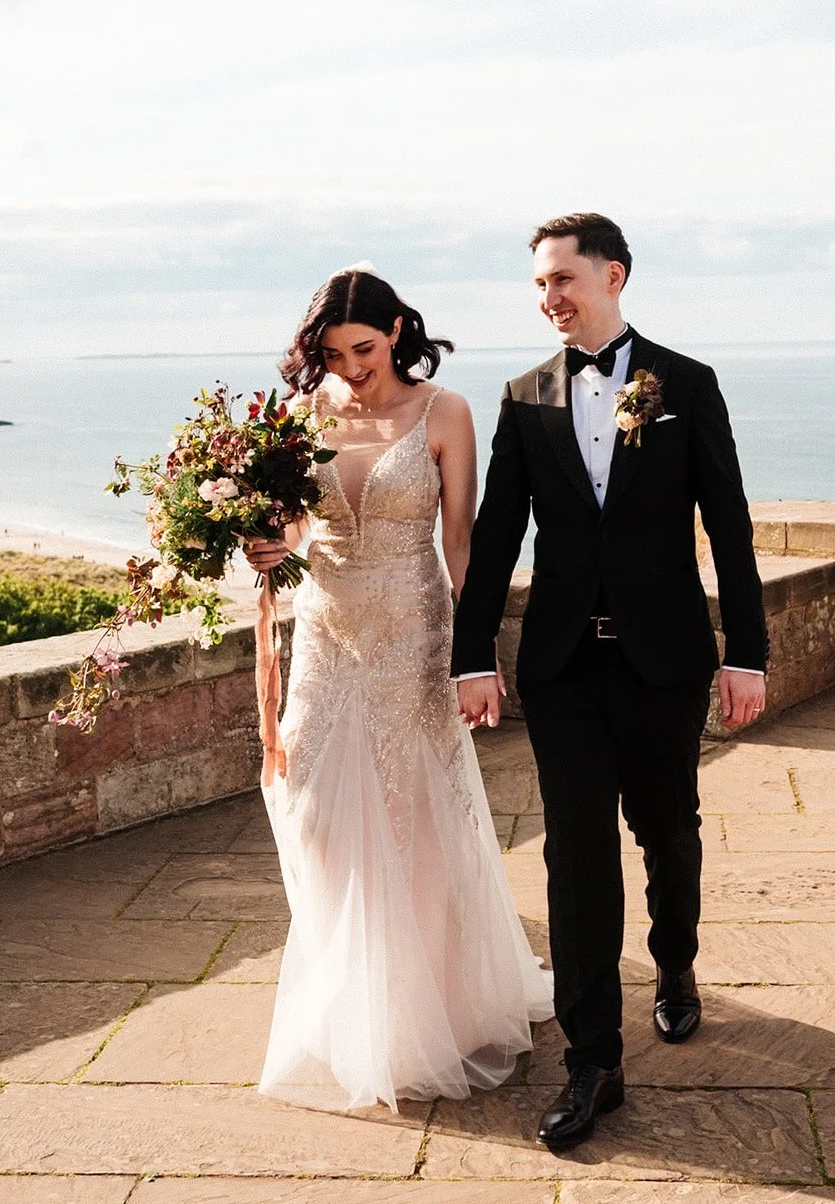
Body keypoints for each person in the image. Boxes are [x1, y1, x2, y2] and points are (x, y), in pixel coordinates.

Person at [452, 213, 768, 1151]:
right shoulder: (522, 398)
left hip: (664, 662)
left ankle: (674, 965)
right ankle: (594, 1061)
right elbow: (497, 538)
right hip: (561, 668)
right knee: (574, 858)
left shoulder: (687, 384)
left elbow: (733, 529)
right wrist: (474, 658)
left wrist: (743, 652)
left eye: (563, 279)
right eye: (539, 284)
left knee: (668, 830)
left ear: (613, 275)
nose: (550, 297)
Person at [244, 267, 552, 1113]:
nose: (351, 368)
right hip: (326, 635)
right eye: (334, 354)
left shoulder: (444, 412)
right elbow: (295, 532)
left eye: (365, 349)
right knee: (320, 818)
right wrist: (267, 548)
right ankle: (352, 1002)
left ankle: (428, 1015)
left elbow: (462, 546)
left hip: (411, 635)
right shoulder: (306, 418)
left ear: (397, 331)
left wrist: (474, 654)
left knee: (411, 816)